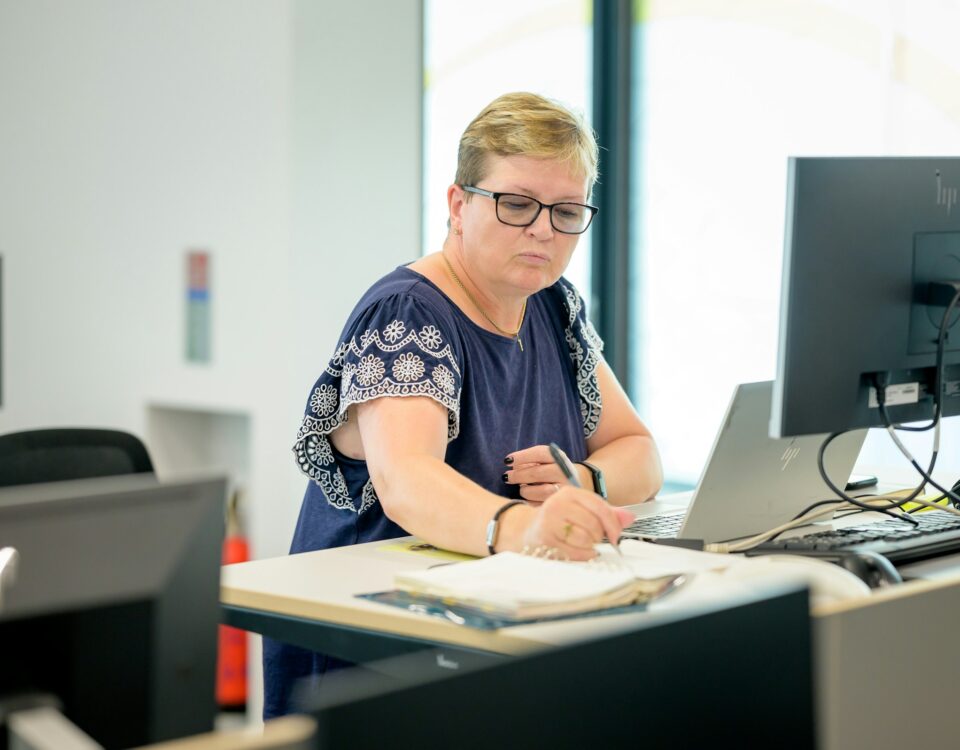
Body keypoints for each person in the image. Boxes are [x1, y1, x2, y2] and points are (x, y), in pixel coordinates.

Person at [263, 91, 663, 717]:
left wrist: (581, 481)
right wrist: (524, 527)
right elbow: (407, 481)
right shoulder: (410, 312)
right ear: (458, 204)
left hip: (489, 621)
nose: (542, 229)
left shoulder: (554, 308)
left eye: (565, 211)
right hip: (372, 651)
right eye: (516, 204)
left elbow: (639, 451)